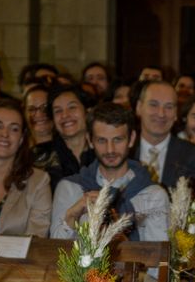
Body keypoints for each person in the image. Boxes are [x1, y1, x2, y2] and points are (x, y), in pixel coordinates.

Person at [50, 102, 168, 241]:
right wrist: (72, 216)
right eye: (101, 140)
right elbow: (54, 253)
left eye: (118, 140)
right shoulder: (70, 188)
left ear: (131, 139)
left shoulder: (153, 194)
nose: (110, 149)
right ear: (90, 140)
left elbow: (158, 257)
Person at [0, 98, 52, 236]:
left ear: (21, 139)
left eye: (14, 129)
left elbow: (37, 240)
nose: (5, 134)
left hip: (19, 258)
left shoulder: (38, 182)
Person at [134, 81, 195, 199]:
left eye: (169, 107)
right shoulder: (122, 151)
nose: (161, 114)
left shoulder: (194, 155)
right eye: (154, 104)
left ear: (176, 113)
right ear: (139, 107)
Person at [44, 84, 95, 191]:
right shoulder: (39, 159)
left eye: (72, 107)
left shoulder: (104, 151)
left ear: (87, 111)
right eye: (58, 111)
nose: (65, 115)